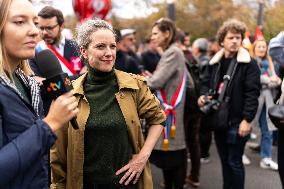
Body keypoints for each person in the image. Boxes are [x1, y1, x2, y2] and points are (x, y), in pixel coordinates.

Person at [50, 19, 166, 189]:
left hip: (127, 184)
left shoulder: (134, 85)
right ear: (84, 51)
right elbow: (58, 154)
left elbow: (158, 119)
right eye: (100, 46)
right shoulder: (69, 93)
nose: (109, 53)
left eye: (112, 46)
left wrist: (143, 156)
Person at [0, 0, 79, 188]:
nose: (36, 32)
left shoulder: (26, 82)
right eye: (20, 22)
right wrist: (50, 124)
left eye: (34, 23)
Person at [198, 19, 260, 189]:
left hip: (237, 122)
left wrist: (247, 119)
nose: (235, 41)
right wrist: (203, 96)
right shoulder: (214, 62)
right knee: (225, 161)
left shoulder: (249, 63)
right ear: (222, 41)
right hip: (218, 120)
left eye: (238, 38)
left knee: (234, 162)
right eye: (231, 38)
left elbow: (252, 94)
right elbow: (204, 83)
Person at [146, 17, 190, 189]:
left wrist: (136, 80)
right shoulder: (172, 52)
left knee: (173, 157)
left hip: (171, 111)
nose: (152, 37)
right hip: (171, 111)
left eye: (156, 33)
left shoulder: (172, 52)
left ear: (167, 33)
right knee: (170, 158)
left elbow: (155, 82)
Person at [249, 39, 281, 170]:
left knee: (268, 130)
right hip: (253, 101)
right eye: (259, 47)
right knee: (248, 127)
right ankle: (239, 154)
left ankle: (266, 158)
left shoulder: (270, 63)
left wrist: (275, 81)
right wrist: (269, 80)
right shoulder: (250, 62)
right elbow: (254, 78)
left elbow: (276, 81)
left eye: (264, 47)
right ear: (254, 48)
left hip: (268, 101)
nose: (262, 49)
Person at [30, 6, 84, 77]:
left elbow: (87, 71)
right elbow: (38, 82)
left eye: (49, 28)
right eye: (41, 28)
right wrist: (79, 77)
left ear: (61, 26)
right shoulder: (34, 52)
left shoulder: (77, 46)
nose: (45, 32)